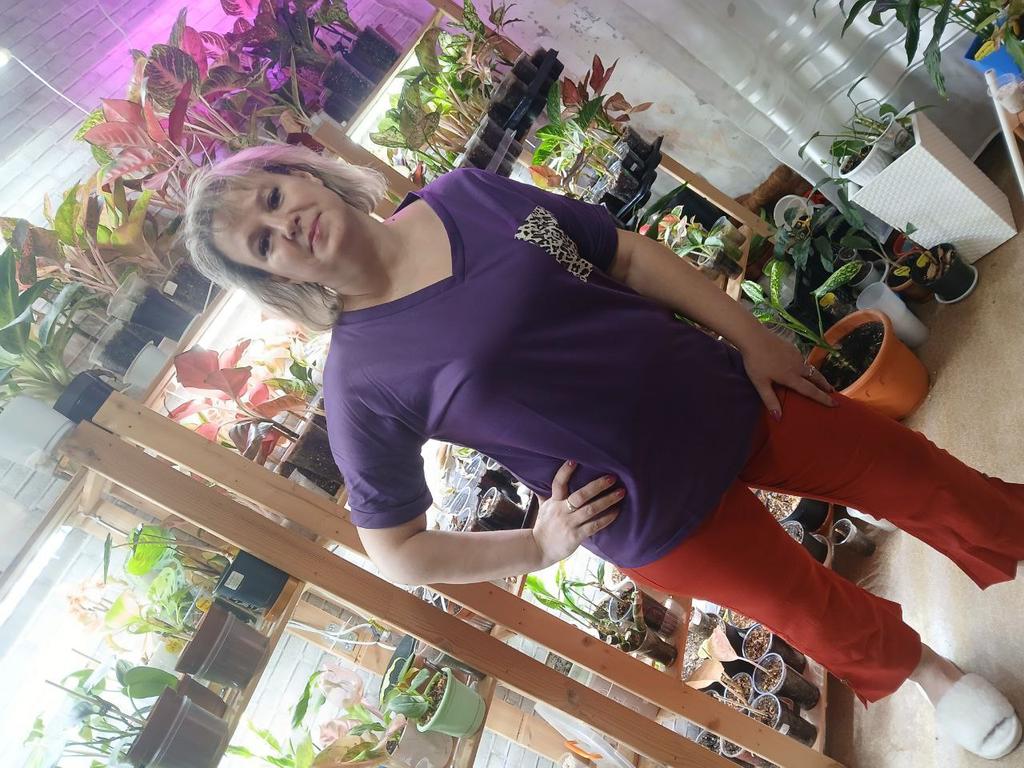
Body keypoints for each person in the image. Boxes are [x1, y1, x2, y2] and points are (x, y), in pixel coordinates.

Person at [184, 144, 1024, 760]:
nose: (283, 222)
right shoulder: (359, 380)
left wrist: (753, 337)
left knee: (906, 468)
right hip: (646, 511)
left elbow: (619, 252)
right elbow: (395, 551)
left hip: (725, 395)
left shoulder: (465, 197)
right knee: (809, 609)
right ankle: (937, 680)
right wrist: (536, 546)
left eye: (273, 195)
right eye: (262, 241)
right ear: (274, 278)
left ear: (306, 175)